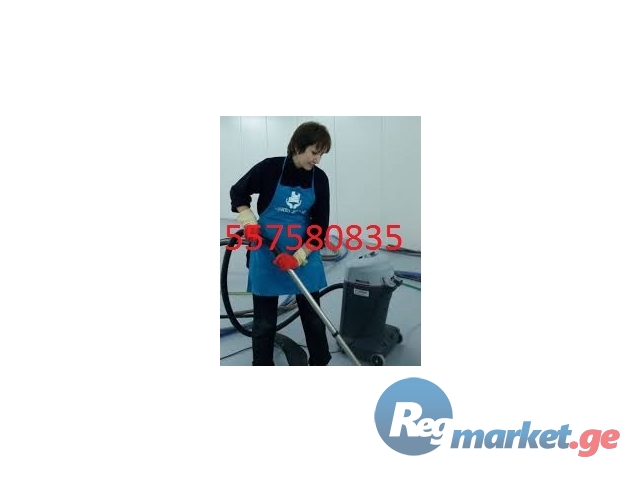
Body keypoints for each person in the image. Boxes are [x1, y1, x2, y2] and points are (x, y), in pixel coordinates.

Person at [229, 121, 333, 366]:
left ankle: (319, 363)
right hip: (267, 253)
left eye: (321, 155)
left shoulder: (319, 179)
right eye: (314, 152)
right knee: (264, 322)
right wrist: (248, 222)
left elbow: (320, 230)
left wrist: (298, 257)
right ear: (298, 146)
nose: (317, 160)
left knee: (314, 318)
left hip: (303, 254)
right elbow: (238, 192)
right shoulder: (270, 168)